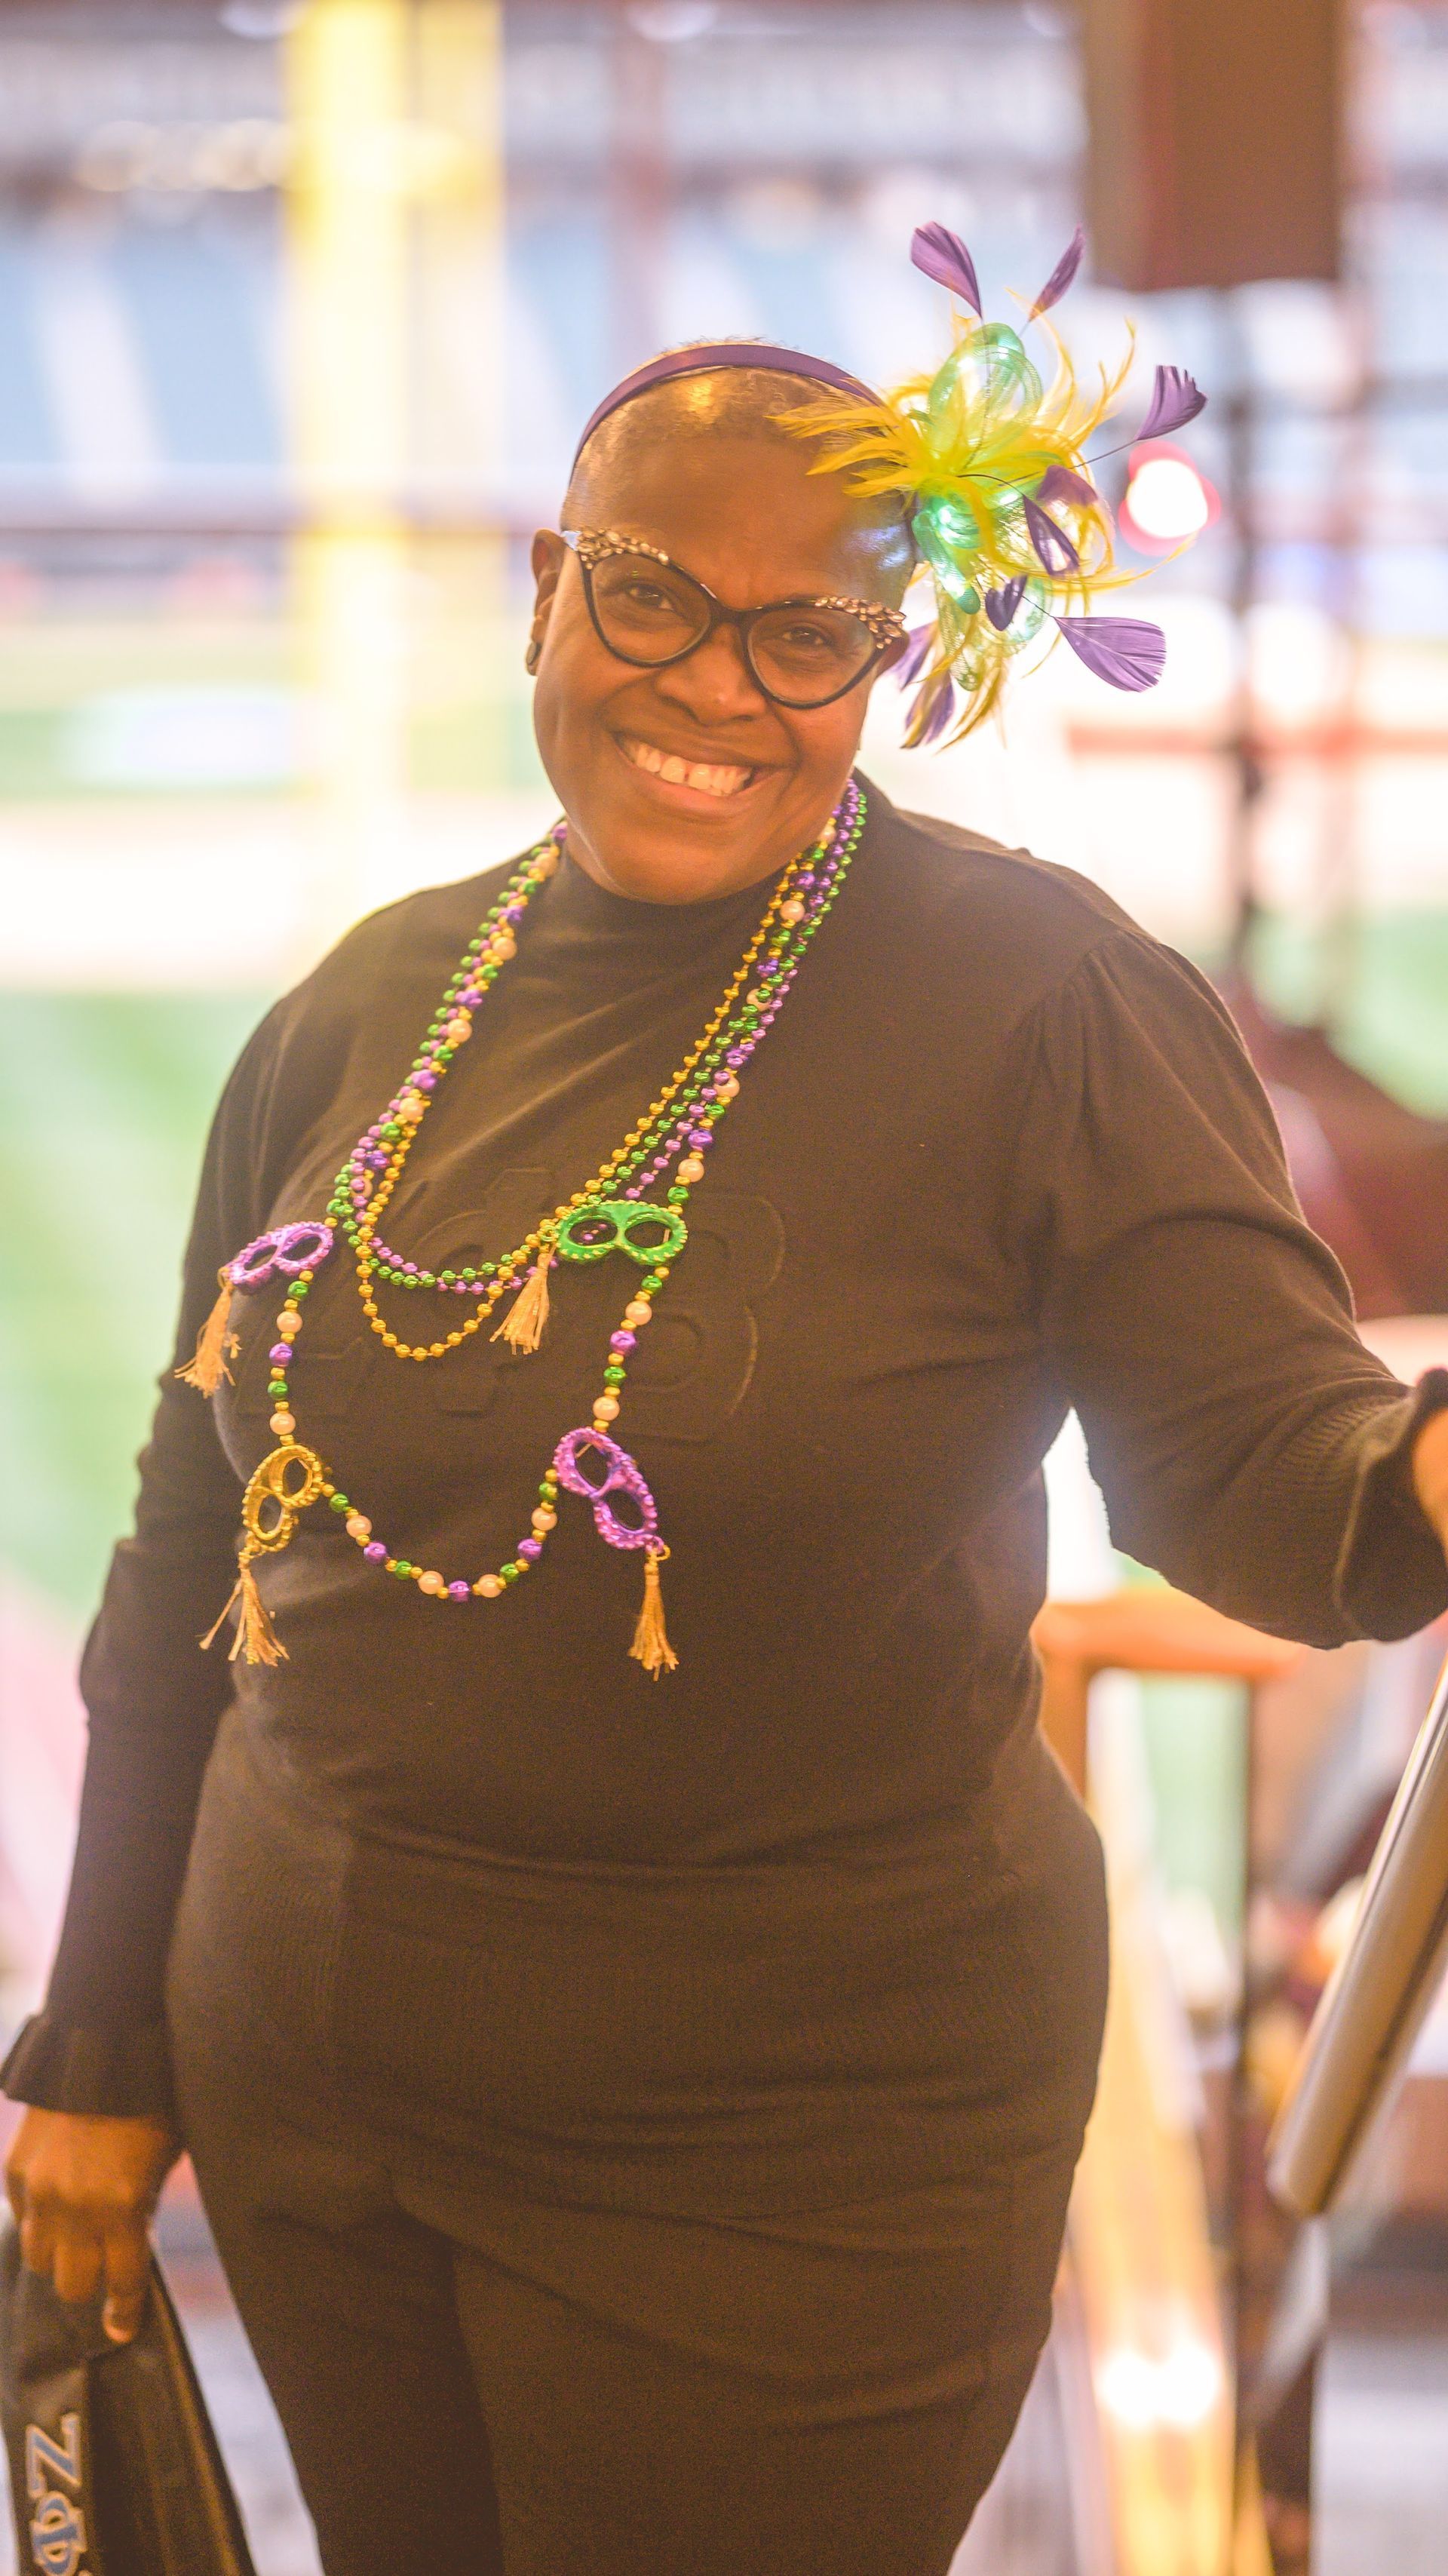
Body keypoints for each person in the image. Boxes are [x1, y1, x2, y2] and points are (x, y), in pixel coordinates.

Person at [7, 227, 1448, 2576]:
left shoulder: (1048, 999)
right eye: (657, 597)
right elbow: (192, 1540)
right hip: (319, 2102)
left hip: (793, 2153)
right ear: (547, 589)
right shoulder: (367, 1005)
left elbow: (1267, 1473)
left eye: (811, 635)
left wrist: (1420, 1466)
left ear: (894, 659)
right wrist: (94, 2048)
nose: (720, 685)